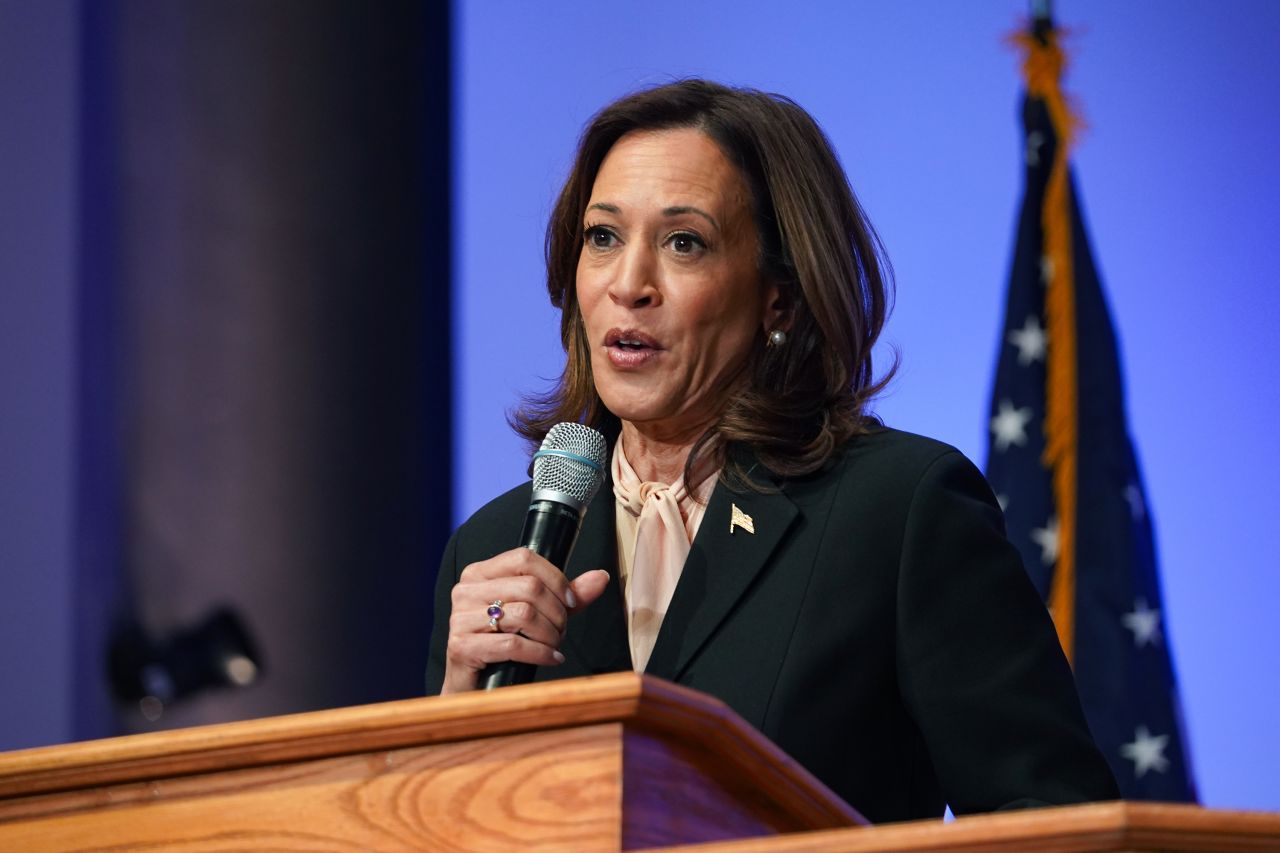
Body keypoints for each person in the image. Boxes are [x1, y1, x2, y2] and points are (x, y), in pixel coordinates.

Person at [425, 79, 1118, 823]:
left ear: (778, 297)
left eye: (683, 242)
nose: (629, 284)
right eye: (604, 237)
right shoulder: (498, 549)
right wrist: (458, 699)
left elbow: (1052, 819)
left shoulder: (896, 511)